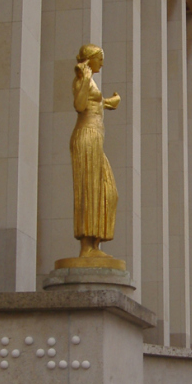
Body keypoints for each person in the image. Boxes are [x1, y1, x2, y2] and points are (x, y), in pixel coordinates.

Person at [69, 44, 120, 258]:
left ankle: (95, 244)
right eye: (100, 58)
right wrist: (85, 77)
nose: (103, 62)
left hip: (95, 139)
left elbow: (93, 104)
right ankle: (86, 247)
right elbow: (80, 105)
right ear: (90, 60)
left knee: (108, 193)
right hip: (86, 137)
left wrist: (109, 102)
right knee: (89, 190)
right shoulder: (82, 76)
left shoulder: (89, 79)